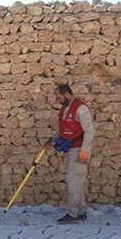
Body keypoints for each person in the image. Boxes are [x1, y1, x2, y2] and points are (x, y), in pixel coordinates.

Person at [44, 84, 96, 223]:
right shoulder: (65, 109)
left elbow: (90, 131)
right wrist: (52, 139)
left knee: (73, 180)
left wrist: (84, 152)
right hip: (70, 149)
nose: (58, 100)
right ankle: (81, 211)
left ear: (67, 94)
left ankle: (72, 214)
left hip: (79, 150)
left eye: (59, 97)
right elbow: (62, 130)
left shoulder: (80, 108)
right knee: (75, 181)